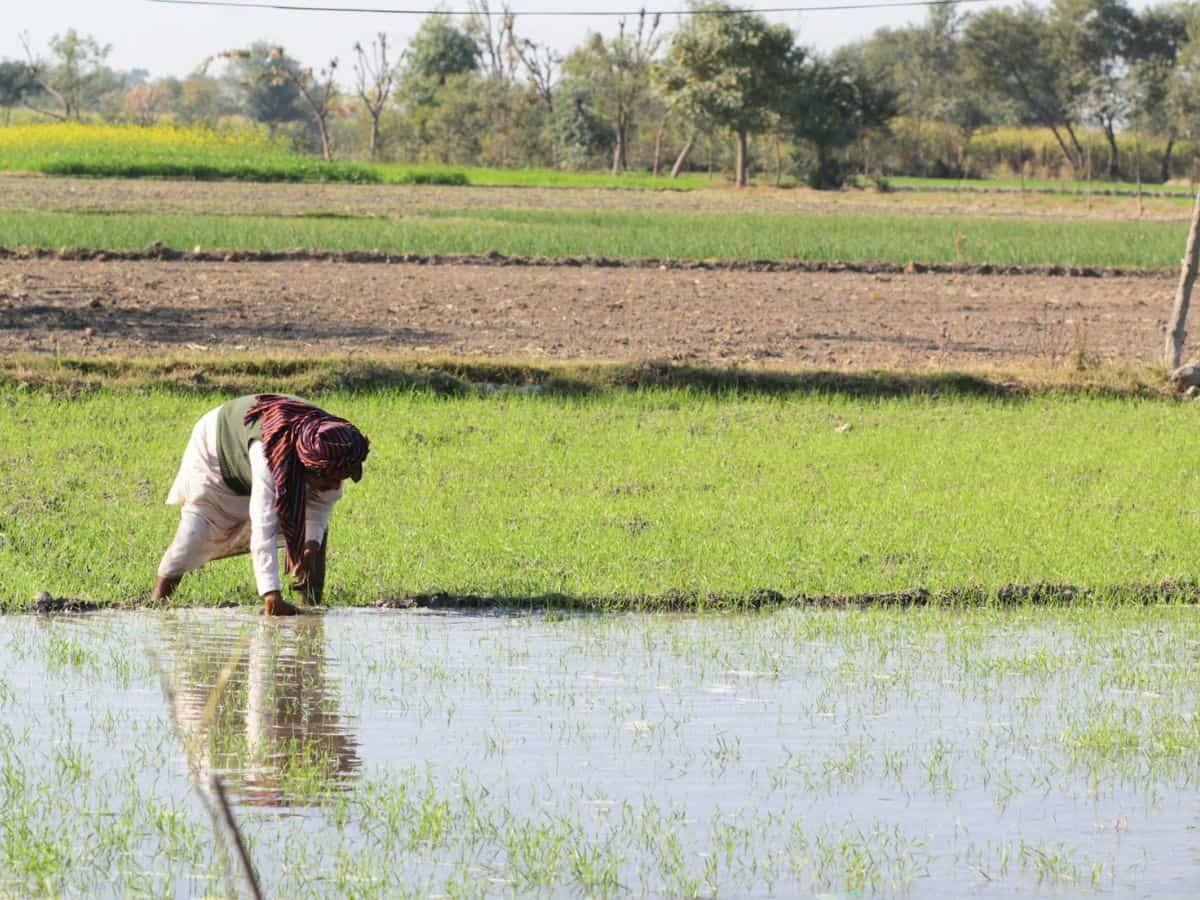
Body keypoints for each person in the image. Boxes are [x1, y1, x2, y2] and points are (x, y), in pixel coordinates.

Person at [152, 394, 370, 615]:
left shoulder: (333, 446)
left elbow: (321, 506)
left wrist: (309, 546)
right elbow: (263, 526)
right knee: (199, 529)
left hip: (271, 447)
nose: (335, 484)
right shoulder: (269, 457)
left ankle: (312, 607)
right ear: (306, 468)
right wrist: (271, 595)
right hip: (217, 447)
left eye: (341, 477)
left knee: (313, 539)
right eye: (329, 478)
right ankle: (156, 605)